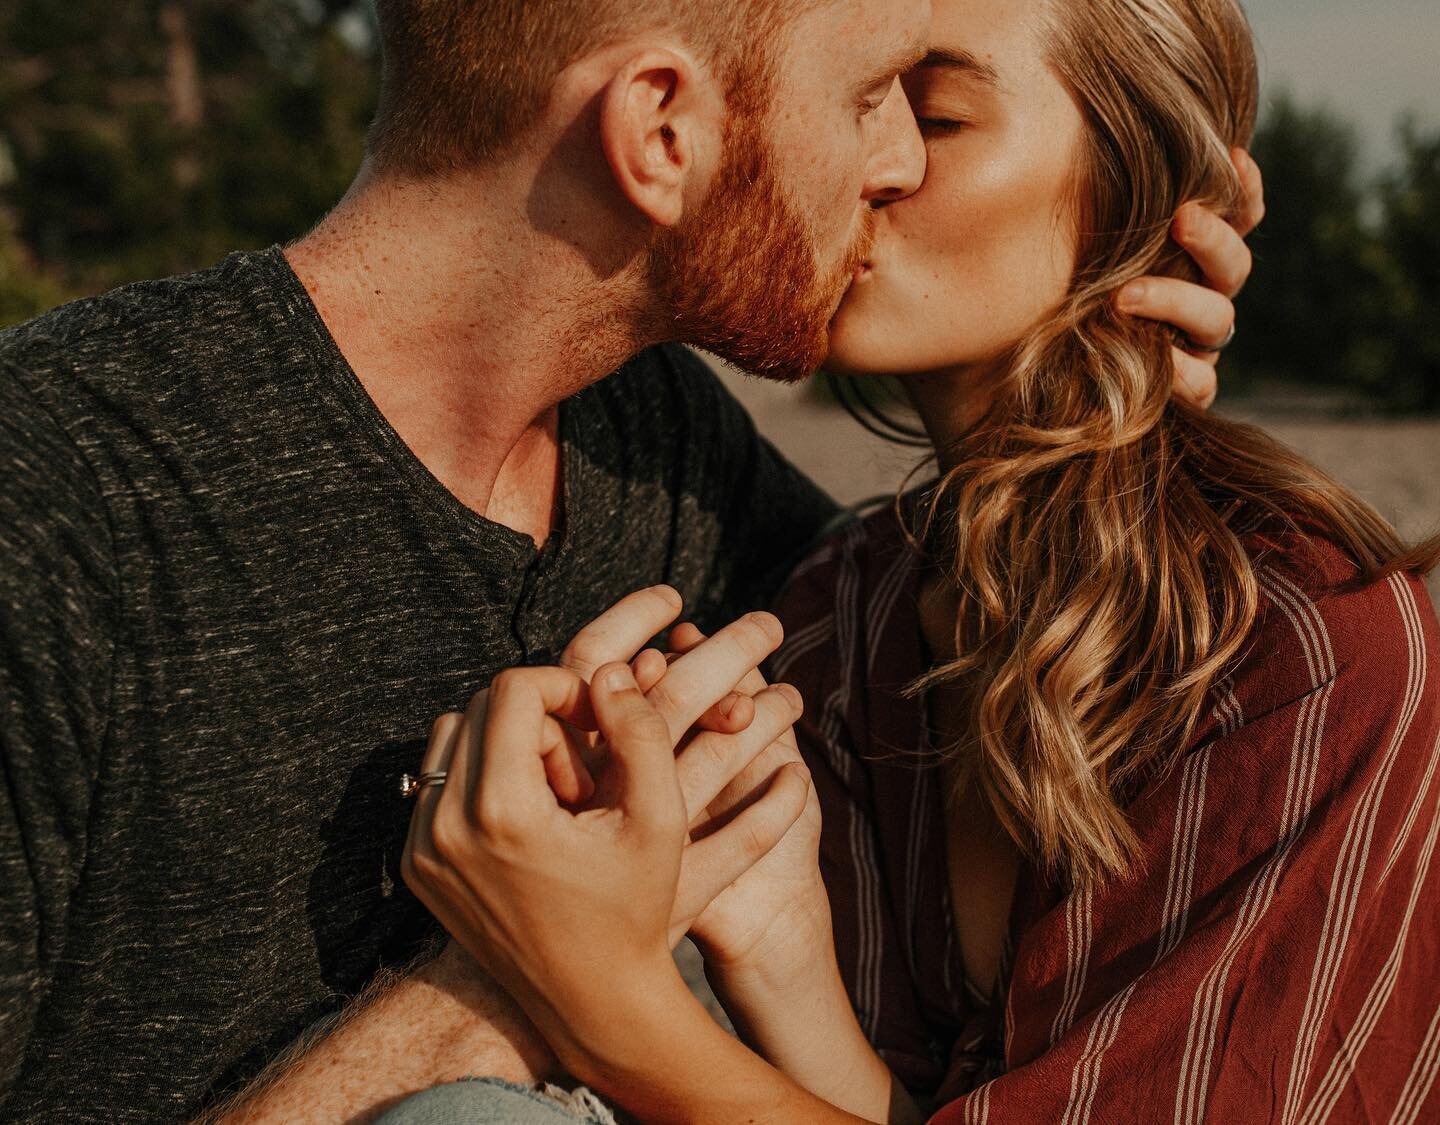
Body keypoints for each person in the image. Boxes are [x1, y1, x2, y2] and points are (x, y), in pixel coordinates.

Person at [0, 0, 1259, 1121]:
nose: (895, 162)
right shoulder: (53, 507)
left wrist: (1093, 377)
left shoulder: (655, 447)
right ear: (661, 130)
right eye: (875, 98)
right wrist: (480, 997)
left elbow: (938, 600)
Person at [396, 0, 1440, 1121]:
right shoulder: (842, 613)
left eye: (936, 117)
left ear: (1128, 185)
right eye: (857, 100)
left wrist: (600, 997)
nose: (872, 159)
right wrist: (779, 954)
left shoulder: (1307, 647)